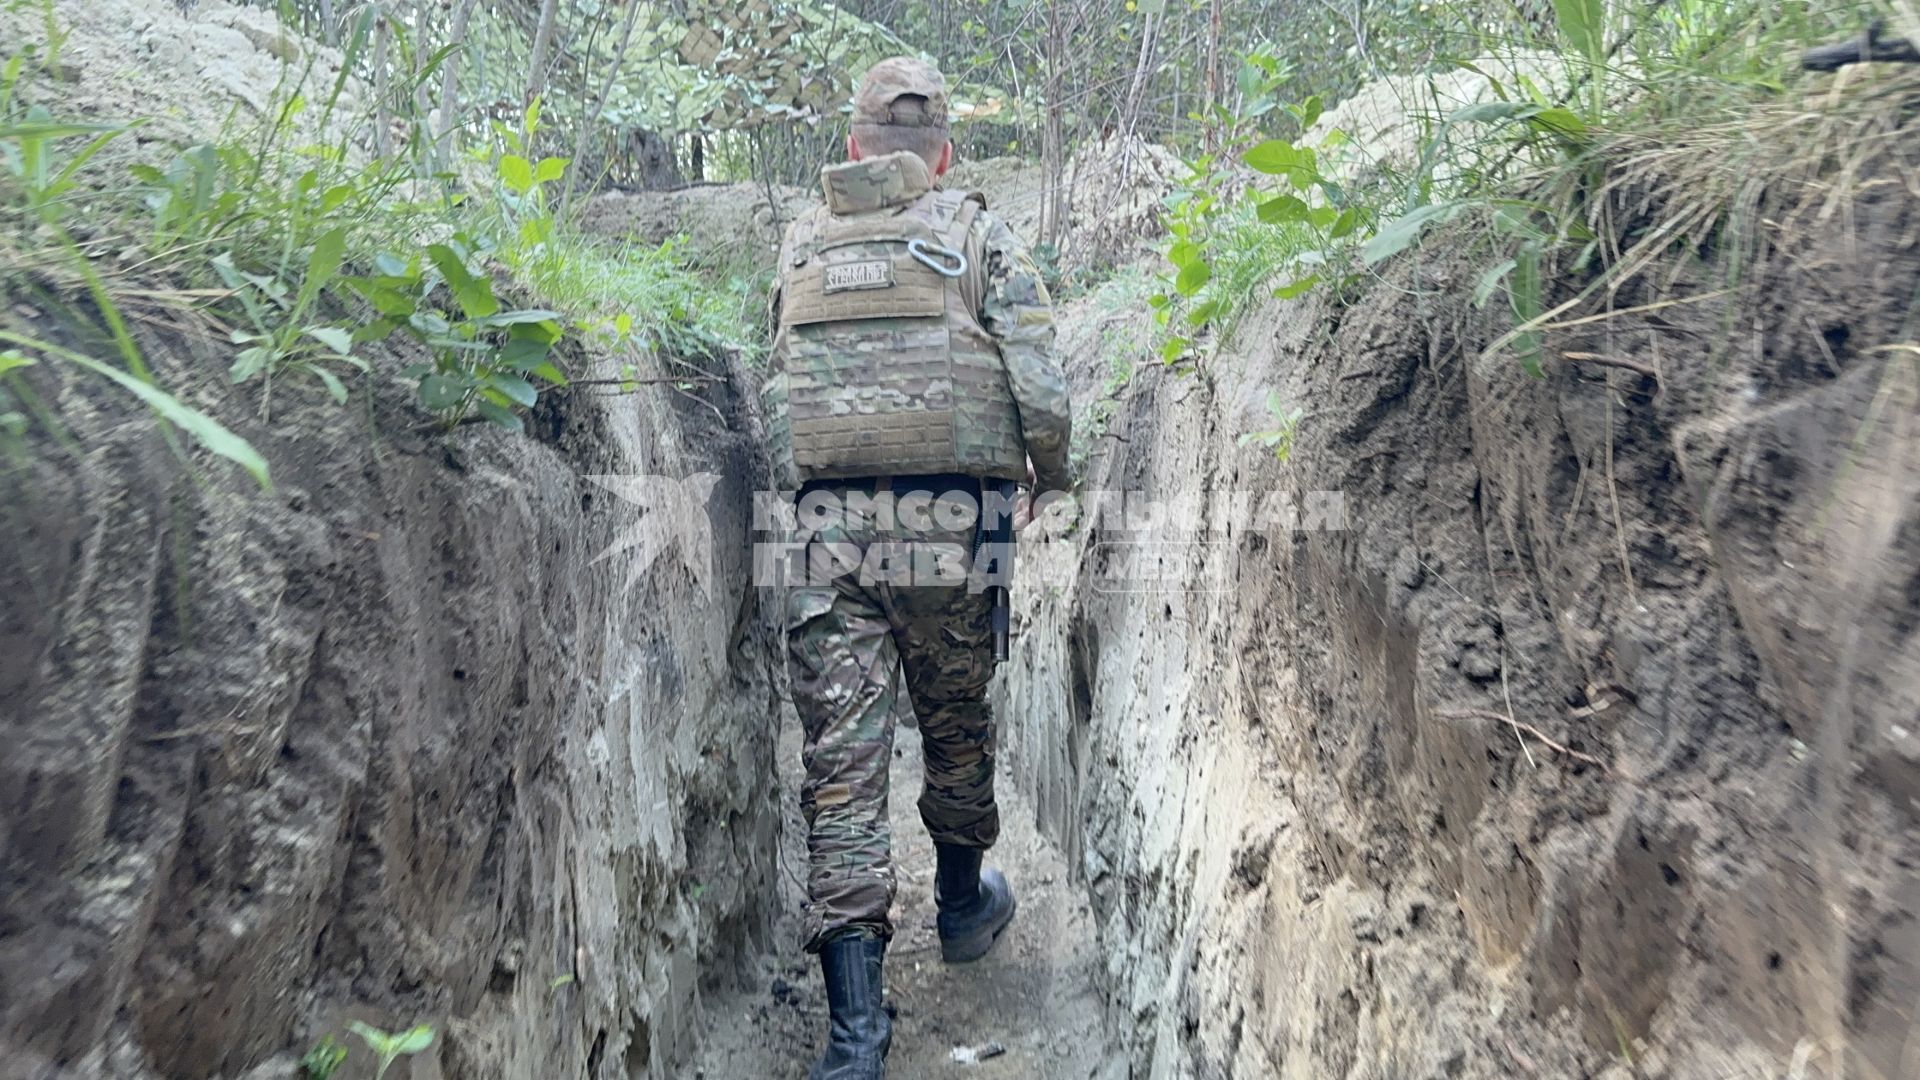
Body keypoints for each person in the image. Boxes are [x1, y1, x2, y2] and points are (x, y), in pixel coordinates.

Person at [761, 55, 1072, 1080]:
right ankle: (960, 905)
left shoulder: (800, 242)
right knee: (955, 725)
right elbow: (1041, 385)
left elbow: (779, 396)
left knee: (843, 776)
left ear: (853, 149)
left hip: (827, 537)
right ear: (941, 156)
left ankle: (856, 1037)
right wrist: (1050, 477)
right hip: (951, 525)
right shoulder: (977, 235)